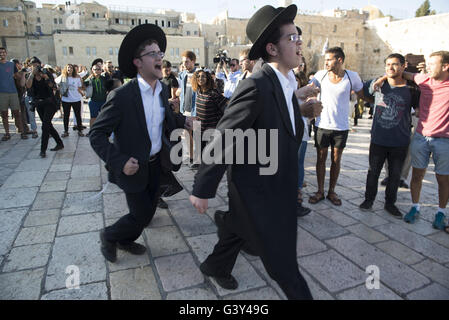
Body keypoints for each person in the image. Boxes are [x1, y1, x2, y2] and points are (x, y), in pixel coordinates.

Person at [189, 4, 323, 299]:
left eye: (298, 36)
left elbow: (274, 119)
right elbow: (226, 135)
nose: (299, 42)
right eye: (291, 38)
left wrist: (300, 110)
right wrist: (203, 187)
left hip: (275, 186)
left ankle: (217, 259)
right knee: (285, 269)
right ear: (273, 48)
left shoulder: (286, 83)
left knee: (239, 227)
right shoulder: (257, 85)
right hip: (261, 192)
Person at [90, 24, 193, 263]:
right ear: (138, 62)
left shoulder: (162, 89)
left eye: (160, 53)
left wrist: (182, 120)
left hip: (156, 165)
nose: (160, 58)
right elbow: (96, 134)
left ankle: (125, 239)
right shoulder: (122, 96)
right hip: (133, 167)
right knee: (141, 215)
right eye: (153, 54)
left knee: (146, 213)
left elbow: (164, 118)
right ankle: (109, 235)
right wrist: (120, 161)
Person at [374, 51, 449, 231]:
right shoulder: (423, 80)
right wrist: (381, 78)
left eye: (432, 64)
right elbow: (400, 72)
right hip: (421, 137)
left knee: (443, 179)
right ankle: (415, 208)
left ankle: (441, 212)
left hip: (444, 140)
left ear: (445, 67)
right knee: (417, 176)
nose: (428, 67)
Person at [359, 53, 419, 218]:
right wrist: (381, 79)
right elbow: (361, 91)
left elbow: (419, 109)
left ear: (403, 66)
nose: (390, 68)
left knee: (394, 175)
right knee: (373, 172)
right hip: (379, 139)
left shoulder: (412, 88)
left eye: (395, 64)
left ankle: (390, 204)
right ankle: (368, 200)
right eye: (387, 65)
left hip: (400, 141)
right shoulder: (377, 84)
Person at [309, 47, 365, 206]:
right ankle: (319, 191)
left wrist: (378, 97)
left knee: (336, 160)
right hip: (322, 125)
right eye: (325, 59)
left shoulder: (351, 76)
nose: (326, 62)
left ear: (339, 60)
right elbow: (308, 90)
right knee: (320, 159)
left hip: (341, 127)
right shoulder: (321, 75)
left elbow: (363, 95)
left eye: (329, 59)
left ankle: (331, 191)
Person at [25, 57, 63, 157]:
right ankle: (59, 143)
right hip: (39, 104)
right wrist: (32, 74)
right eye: (32, 65)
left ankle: (43, 150)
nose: (35, 67)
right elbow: (28, 86)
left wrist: (46, 77)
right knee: (48, 125)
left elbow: (53, 87)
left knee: (45, 126)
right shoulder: (30, 76)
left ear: (40, 65)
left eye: (36, 65)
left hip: (50, 103)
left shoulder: (46, 73)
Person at [0, 48, 28, 141]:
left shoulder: (11, 65)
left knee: (17, 113)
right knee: (4, 114)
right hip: (2, 93)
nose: (2, 54)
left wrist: (24, 73)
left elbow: (16, 76)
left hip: (13, 92)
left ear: (6, 53)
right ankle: (7, 133)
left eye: (3, 52)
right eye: (0, 52)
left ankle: (22, 131)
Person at [178, 51, 198, 167]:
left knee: (197, 135)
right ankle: (191, 157)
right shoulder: (182, 74)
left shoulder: (199, 74)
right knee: (186, 134)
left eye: (187, 62)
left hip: (195, 109)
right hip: (184, 108)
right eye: (183, 62)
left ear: (193, 61)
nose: (185, 64)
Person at [58, 64, 84, 137]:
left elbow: (79, 87)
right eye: (68, 67)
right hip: (66, 100)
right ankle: (66, 131)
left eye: (71, 68)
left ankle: (80, 130)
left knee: (78, 115)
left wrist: (82, 93)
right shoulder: (63, 77)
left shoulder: (77, 77)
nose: (69, 69)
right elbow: (56, 82)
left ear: (73, 69)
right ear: (66, 69)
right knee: (66, 116)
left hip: (76, 99)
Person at [84, 63, 107, 136]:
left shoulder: (104, 79)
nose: (97, 71)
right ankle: (91, 131)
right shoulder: (89, 79)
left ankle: (104, 132)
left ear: (101, 70)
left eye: (98, 69)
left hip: (103, 101)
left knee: (104, 117)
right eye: (95, 69)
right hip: (93, 101)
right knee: (93, 117)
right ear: (92, 70)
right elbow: (82, 86)